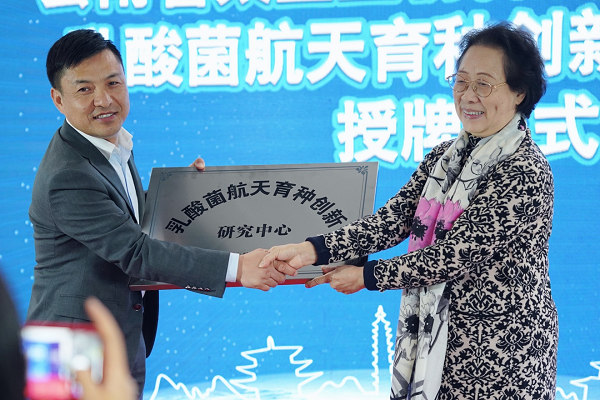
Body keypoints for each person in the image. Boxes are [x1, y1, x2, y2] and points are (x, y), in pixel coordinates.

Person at [260, 22, 558, 400]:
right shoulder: (445, 157)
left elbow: (453, 256)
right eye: (461, 81)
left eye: (484, 84)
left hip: (503, 356)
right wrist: (311, 250)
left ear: (519, 92)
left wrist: (367, 276)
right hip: (440, 348)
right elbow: (394, 220)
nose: (468, 95)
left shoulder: (524, 170)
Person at [27, 29, 295, 397]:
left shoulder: (110, 144)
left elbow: (122, 212)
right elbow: (136, 252)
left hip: (119, 337)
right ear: (59, 99)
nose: (104, 99)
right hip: (76, 352)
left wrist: (181, 195)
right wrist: (238, 267)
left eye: (113, 83)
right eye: (85, 89)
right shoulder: (68, 174)